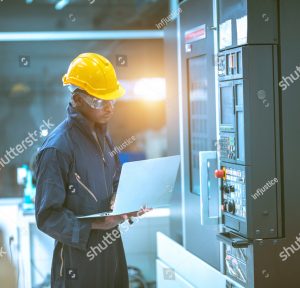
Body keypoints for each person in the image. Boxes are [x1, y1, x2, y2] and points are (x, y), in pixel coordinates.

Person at [35, 53, 150, 288]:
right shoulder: (57, 149)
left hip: (112, 249)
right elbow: (47, 217)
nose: (109, 108)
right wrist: (98, 225)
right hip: (78, 259)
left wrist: (125, 202)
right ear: (77, 100)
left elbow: (115, 180)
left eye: (112, 100)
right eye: (100, 101)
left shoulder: (103, 138)